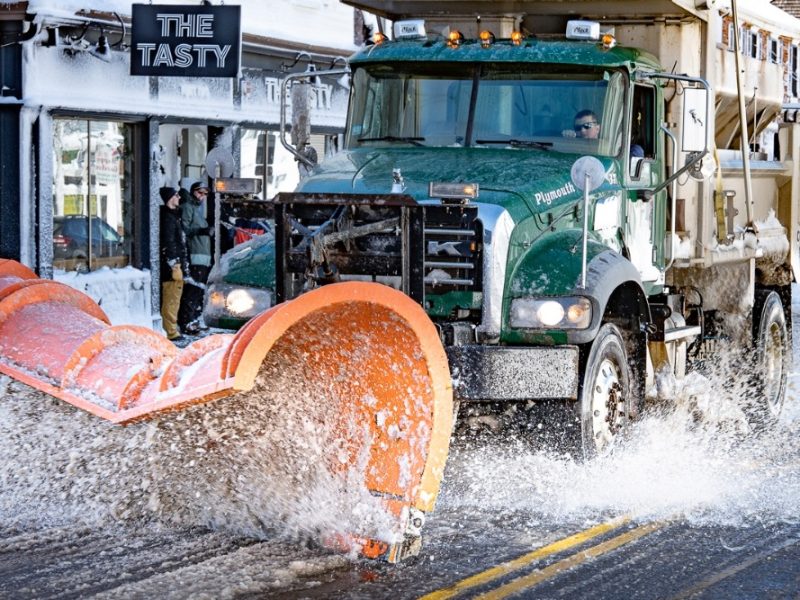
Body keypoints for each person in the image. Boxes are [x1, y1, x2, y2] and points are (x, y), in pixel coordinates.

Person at [178, 180, 213, 334]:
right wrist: (201, 231)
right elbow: (183, 230)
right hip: (195, 255)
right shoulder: (188, 207)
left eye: (205, 194)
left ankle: (192, 320)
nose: (202, 196)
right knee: (192, 291)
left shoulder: (197, 209)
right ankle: (186, 321)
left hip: (203, 256)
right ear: (193, 192)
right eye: (199, 192)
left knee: (198, 291)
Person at [159, 186, 188, 341]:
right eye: (176, 195)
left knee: (174, 297)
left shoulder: (174, 216)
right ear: (170, 199)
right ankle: (170, 331)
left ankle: (171, 328)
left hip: (176, 262)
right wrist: (174, 262)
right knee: (172, 298)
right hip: (172, 265)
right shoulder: (168, 218)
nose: (179, 197)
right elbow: (169, 242)